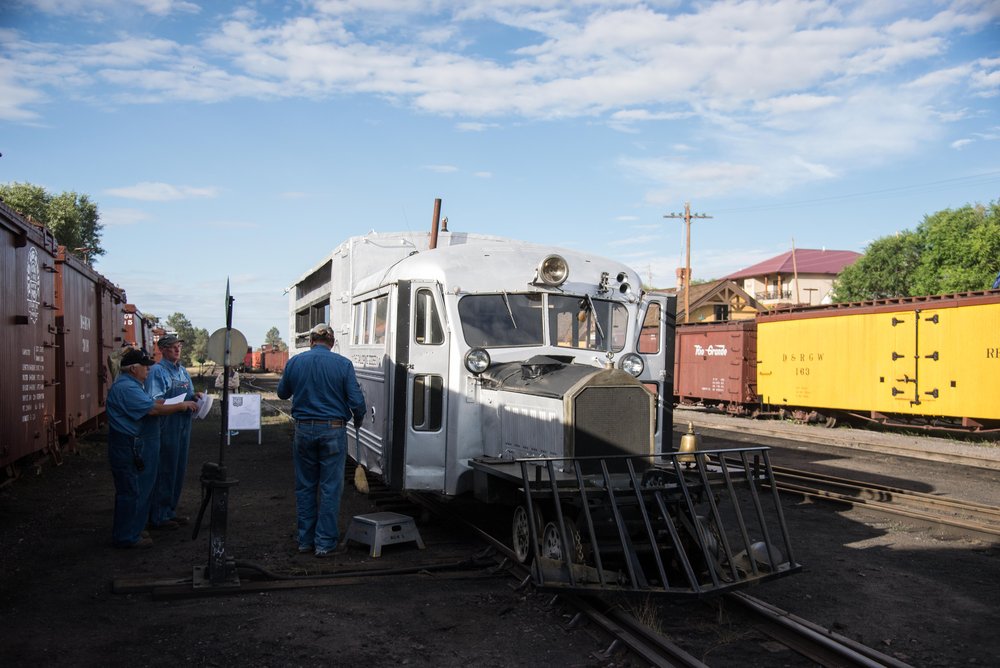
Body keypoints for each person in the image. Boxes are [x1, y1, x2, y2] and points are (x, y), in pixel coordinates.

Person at [277, 323, 366, 558]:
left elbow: (282, 393)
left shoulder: (295, 362)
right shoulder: (343, 364)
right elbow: (356, 401)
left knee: (305, 486)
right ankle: (325, 543)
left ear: (310, 341)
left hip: (304, 431)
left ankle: (305, 541)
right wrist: (358, 418)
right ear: (333, 342)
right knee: (330, 488)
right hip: (333, 431)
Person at [106, 348, 197, 548]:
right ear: (132, 369)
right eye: (144, 366)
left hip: (136, 444)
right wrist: (180, 406)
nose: (148, 369)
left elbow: (153, 402)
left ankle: (134, 531)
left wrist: (172, 402)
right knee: (133, 491)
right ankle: (127, 536)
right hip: (132, 446)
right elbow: (153, 409)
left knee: (140, 489)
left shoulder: (132, 385)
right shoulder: (127, 388)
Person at [145, 334, 202, 530]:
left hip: (183, 425)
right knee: (165, 468)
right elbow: (155, 401)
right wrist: (181, 404)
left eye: (178, 346)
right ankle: (158, 515)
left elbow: (188, 394)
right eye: (172, 346)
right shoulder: (157, 372)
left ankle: (170, 510)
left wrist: (195, 396)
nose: (177, 349)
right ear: (162, 350)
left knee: (178, 468)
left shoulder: (183, 371)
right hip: (166, 425)